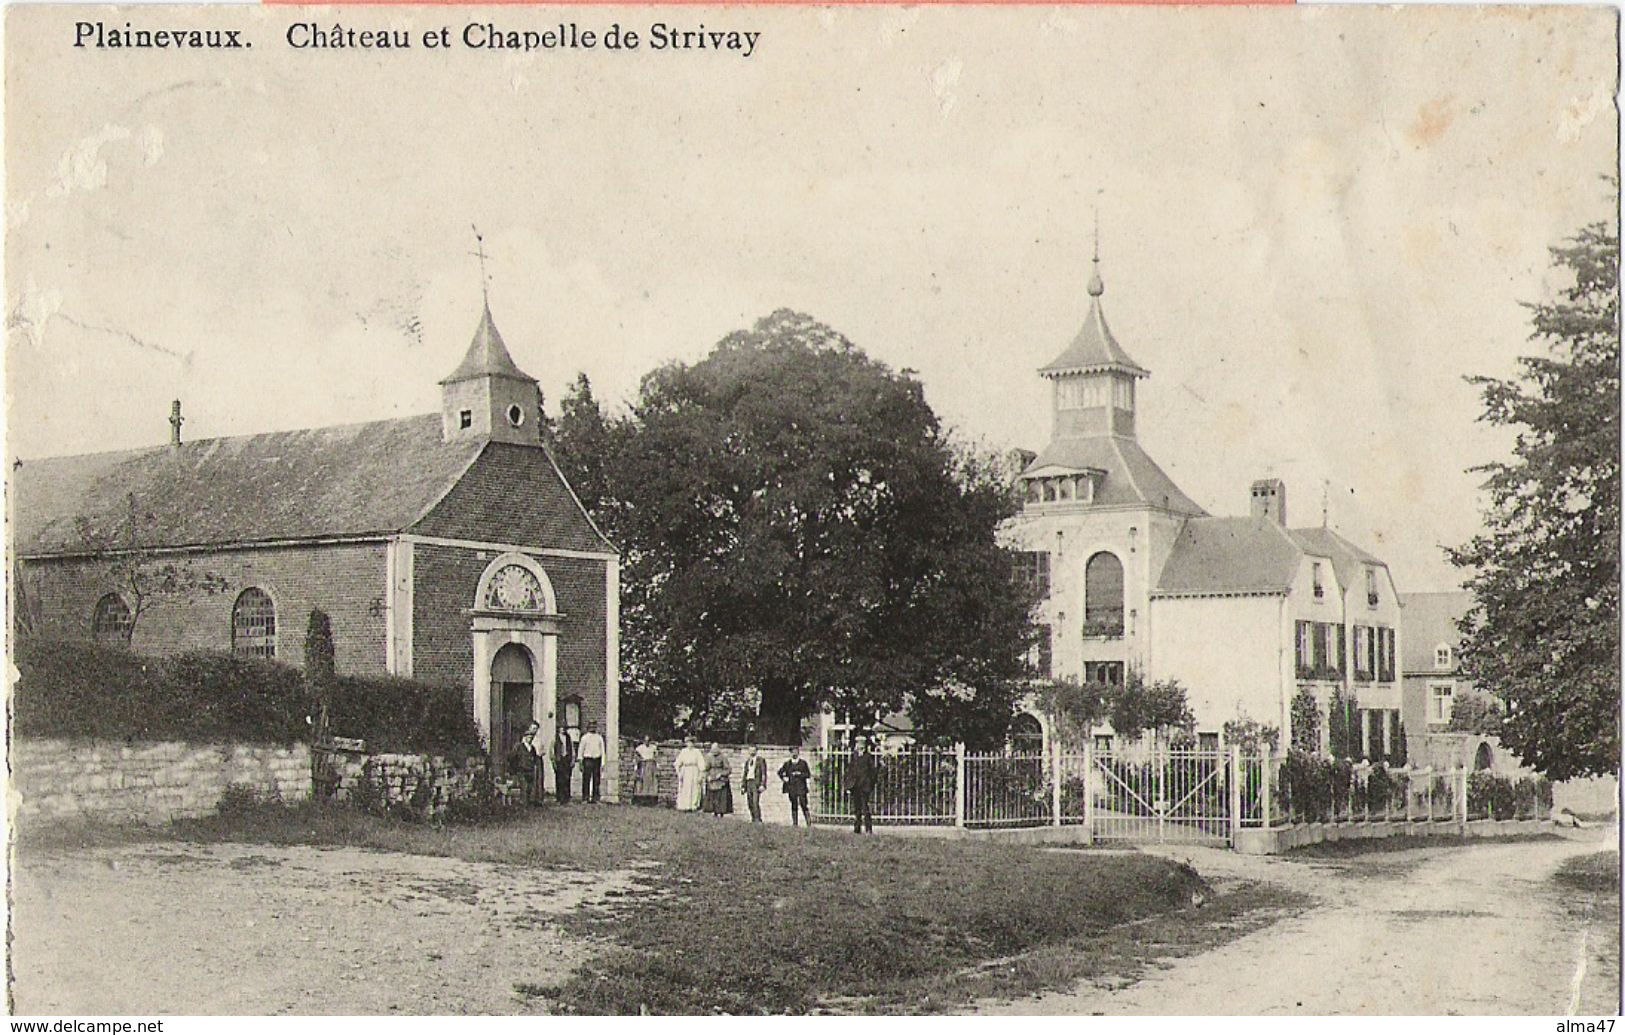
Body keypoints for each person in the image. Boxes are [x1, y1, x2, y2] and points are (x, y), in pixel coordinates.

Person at [845, 736, 877, 833]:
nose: (859, 746)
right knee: (857, 808)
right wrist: (848, 785)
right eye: (858, 743)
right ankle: (857, 828)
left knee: (865, 808)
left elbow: (873, 772)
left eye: (861, 744)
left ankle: (868, 828)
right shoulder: (854, 756)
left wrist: (870, 783)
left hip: (864, 786)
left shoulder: (868, 757)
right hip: (855, 786)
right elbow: (850, 771)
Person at [778, 744, 812, 827]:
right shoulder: (787, 764)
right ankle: (795, 823)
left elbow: (808, 774)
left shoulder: (803, 763)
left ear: (798, 752)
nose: (794, 753)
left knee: (803, 804)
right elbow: (780, 772)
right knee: (794, 804)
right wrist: (784, 778)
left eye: (796, 751)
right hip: (792, 787)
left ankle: (808, 822)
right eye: (792, 751)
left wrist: (800, 774)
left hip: (801, 787)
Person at [674, 737, 705, 812]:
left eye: (691, 742)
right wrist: (679, 772)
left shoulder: (697, 752)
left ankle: (693, 806)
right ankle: (684, 805)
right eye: (688, 742)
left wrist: (701, 774)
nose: (690, 744)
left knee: (694, 788)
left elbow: (701, 764)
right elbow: (678, 763)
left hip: (694, 771)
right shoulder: (683, 751)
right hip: (686, 771)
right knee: (685, 788)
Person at [578, 721, 606, 803]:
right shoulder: (584, 738)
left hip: (596, 760)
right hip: (588, 759)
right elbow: (581, 750)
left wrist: (603, 763)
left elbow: (602, 750)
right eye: (591, 726)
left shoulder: (599, 738)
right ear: (588, 727)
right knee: (586, 779)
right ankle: (585, 798)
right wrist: (580, 761)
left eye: (594, 726)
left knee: (596, 779)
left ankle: (596, 798)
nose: (593, 728)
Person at [702, 742, 733, 817]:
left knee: (721, 797)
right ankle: (713, 811)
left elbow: (728, 769)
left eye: (716, 749)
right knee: (712, 796)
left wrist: (721, 774)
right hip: (712, 779)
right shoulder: (709, 757)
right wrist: (707, 776)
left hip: (721, 780)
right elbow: (706, 769)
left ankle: (721, 812)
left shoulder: (723, 757)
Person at [740, 744, 768, 823]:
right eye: (750, 750)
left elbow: (763, 773)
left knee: (755, 802)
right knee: (749, 802)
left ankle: (758, 819)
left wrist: (763, 784)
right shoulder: (747, 761)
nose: (752, 752)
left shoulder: (760, 760)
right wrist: (743, 786)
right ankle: (753, 818)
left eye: (753, 750)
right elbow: (745, 774)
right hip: (749, 782)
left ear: (756, 751)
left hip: (756, 783)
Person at [550, 725, 575, 804]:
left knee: (567, 779)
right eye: (561, 728)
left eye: (564, 728)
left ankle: (567, 798)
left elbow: (572, 749)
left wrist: (573, 759)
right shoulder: (555, 738)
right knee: (559, 779)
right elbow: (551, 750)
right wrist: (553, 761)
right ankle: (559, 798)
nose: (562, 730)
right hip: (559, 760)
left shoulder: (568, 738)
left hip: (566, 760)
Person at [633, 737, 660, 805]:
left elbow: (656, 756)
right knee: (642, 780)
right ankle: (641, 798)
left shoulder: (653, 747)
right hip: (643, 764)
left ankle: (651, 798)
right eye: (645, 741)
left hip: (651, 765)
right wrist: (638, 763)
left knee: (651, 781)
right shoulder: (640, 748)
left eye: (648, 741)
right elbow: (636, 755)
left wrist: (656, 764)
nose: (647, 742)